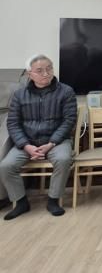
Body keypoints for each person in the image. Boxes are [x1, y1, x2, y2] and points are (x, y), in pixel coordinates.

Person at [0, 55, 77, 220]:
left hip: (56, 141)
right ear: (30, 74)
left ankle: (53, 200)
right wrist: (26, 145)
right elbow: (13, 123)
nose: (46, 73)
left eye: (49, 68)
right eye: (40, 71)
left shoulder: (66, 91)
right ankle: (21, 202)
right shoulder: (19, 95)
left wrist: (51, 143)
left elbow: (69, 121)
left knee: (63, 160)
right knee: (6, 166)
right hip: (27, 143)